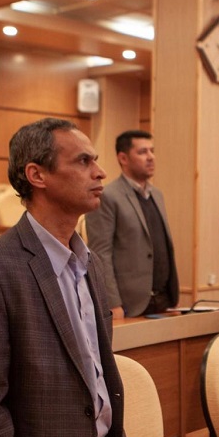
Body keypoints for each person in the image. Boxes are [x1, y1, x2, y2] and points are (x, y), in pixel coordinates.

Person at [0, 118, 141, 437]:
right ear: (37, 175)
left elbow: (96, 375)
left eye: (95, 160)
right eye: (83, 161)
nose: (100, 172)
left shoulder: (91, 263)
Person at [86, 130, 178, 318]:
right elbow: (100, 254)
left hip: (164, 301)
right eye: (143, 152)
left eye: (152, 151)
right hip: (130, 305)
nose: (151, 157)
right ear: (123, 158)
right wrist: (112, 303)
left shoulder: (157, 195)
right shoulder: (107, 196)